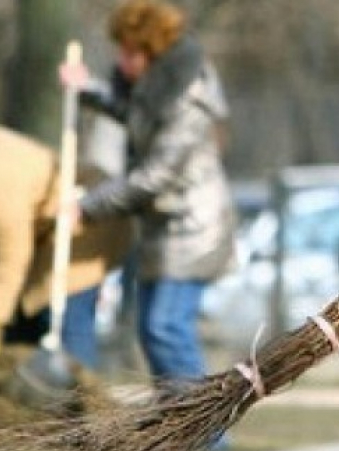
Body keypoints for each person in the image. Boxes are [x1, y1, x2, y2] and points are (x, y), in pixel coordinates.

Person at [63, 0, 236, 383]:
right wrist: (86, 90)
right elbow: (132, 113)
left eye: (129, 52)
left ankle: (206, 431)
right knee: (153, 331)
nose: (122, 62)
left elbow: (155, 176)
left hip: (194, 230)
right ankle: (179, 427)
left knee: (165, 328)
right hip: (165, 229)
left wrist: (87, 208)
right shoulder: (153, 89)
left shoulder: (188, 98)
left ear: (152, 51)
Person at [0, 111, 131, 369]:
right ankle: (31, 402)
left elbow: (10, 259)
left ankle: (85, 401)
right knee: (22, 325)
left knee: (62, 318)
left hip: (81, 227)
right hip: (41, 235)